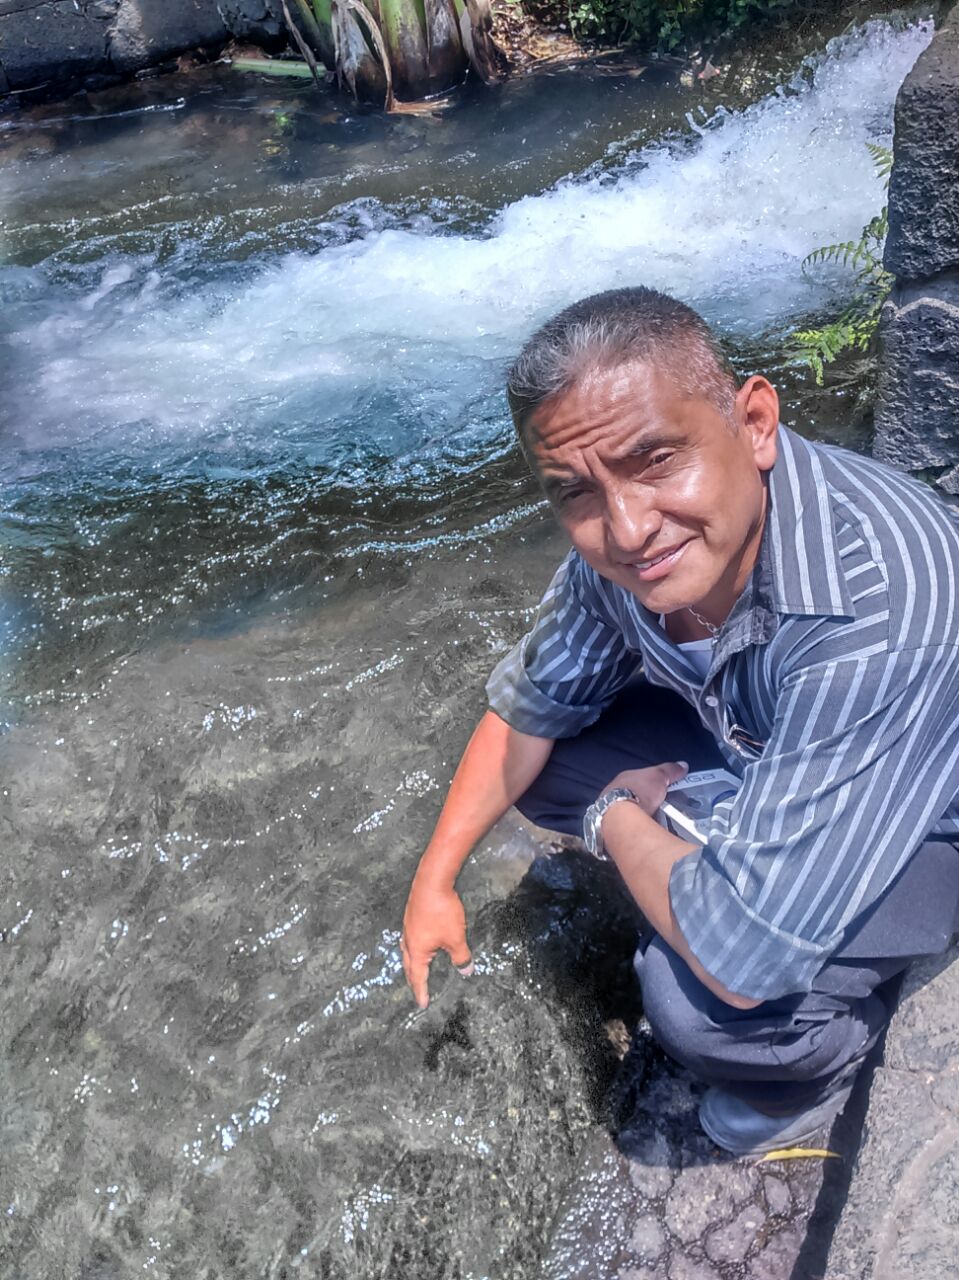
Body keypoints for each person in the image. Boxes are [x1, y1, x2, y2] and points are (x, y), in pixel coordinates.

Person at [400, 286, 959, 1156]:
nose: (627, 529)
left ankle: (814, 1065)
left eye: (656, 459)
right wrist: (433, 880)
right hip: (765, 743)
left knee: (700, 1007)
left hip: (923, 814)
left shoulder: (872, 609)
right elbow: (527, 707)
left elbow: (741, 960)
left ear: (755, 422)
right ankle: (728, 850)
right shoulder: (632, 560)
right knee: (547, 761)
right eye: (576, 493)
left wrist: (615, 815)